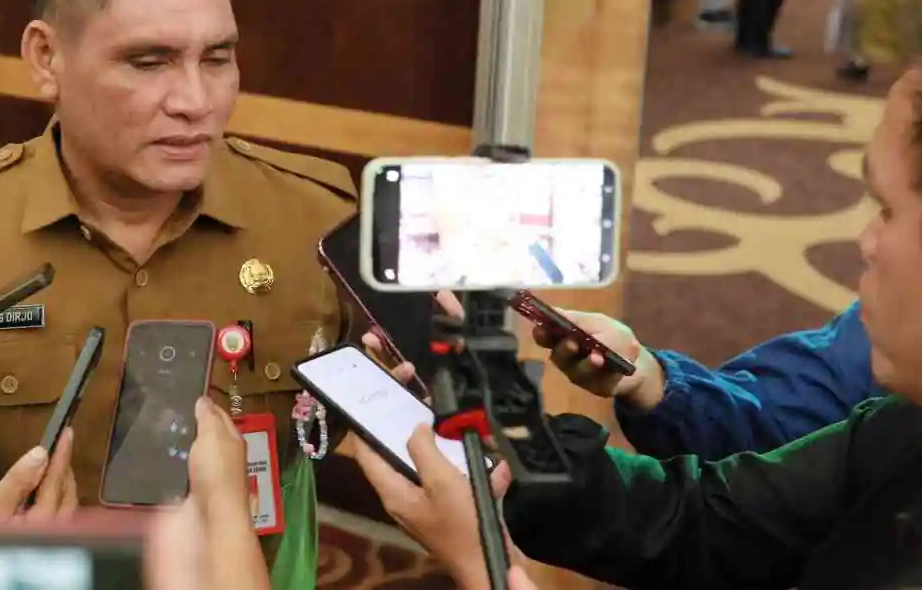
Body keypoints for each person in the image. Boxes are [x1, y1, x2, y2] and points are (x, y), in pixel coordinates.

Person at [0, 0, 362, 590]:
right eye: (149, 62)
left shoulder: (317, 222)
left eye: (218, 58)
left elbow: (334, 424)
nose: (195, 100)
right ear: (46, 57)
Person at [370, 67, 922, 590]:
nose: (866, 242)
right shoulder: (900, 427)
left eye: (888, 210)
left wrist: (484, 566)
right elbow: (702, 522)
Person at [531, 302, 877, 460]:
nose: (867, 242)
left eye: (890, 213)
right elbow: (770, 431)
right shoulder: (870, 344)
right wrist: (653, 382)